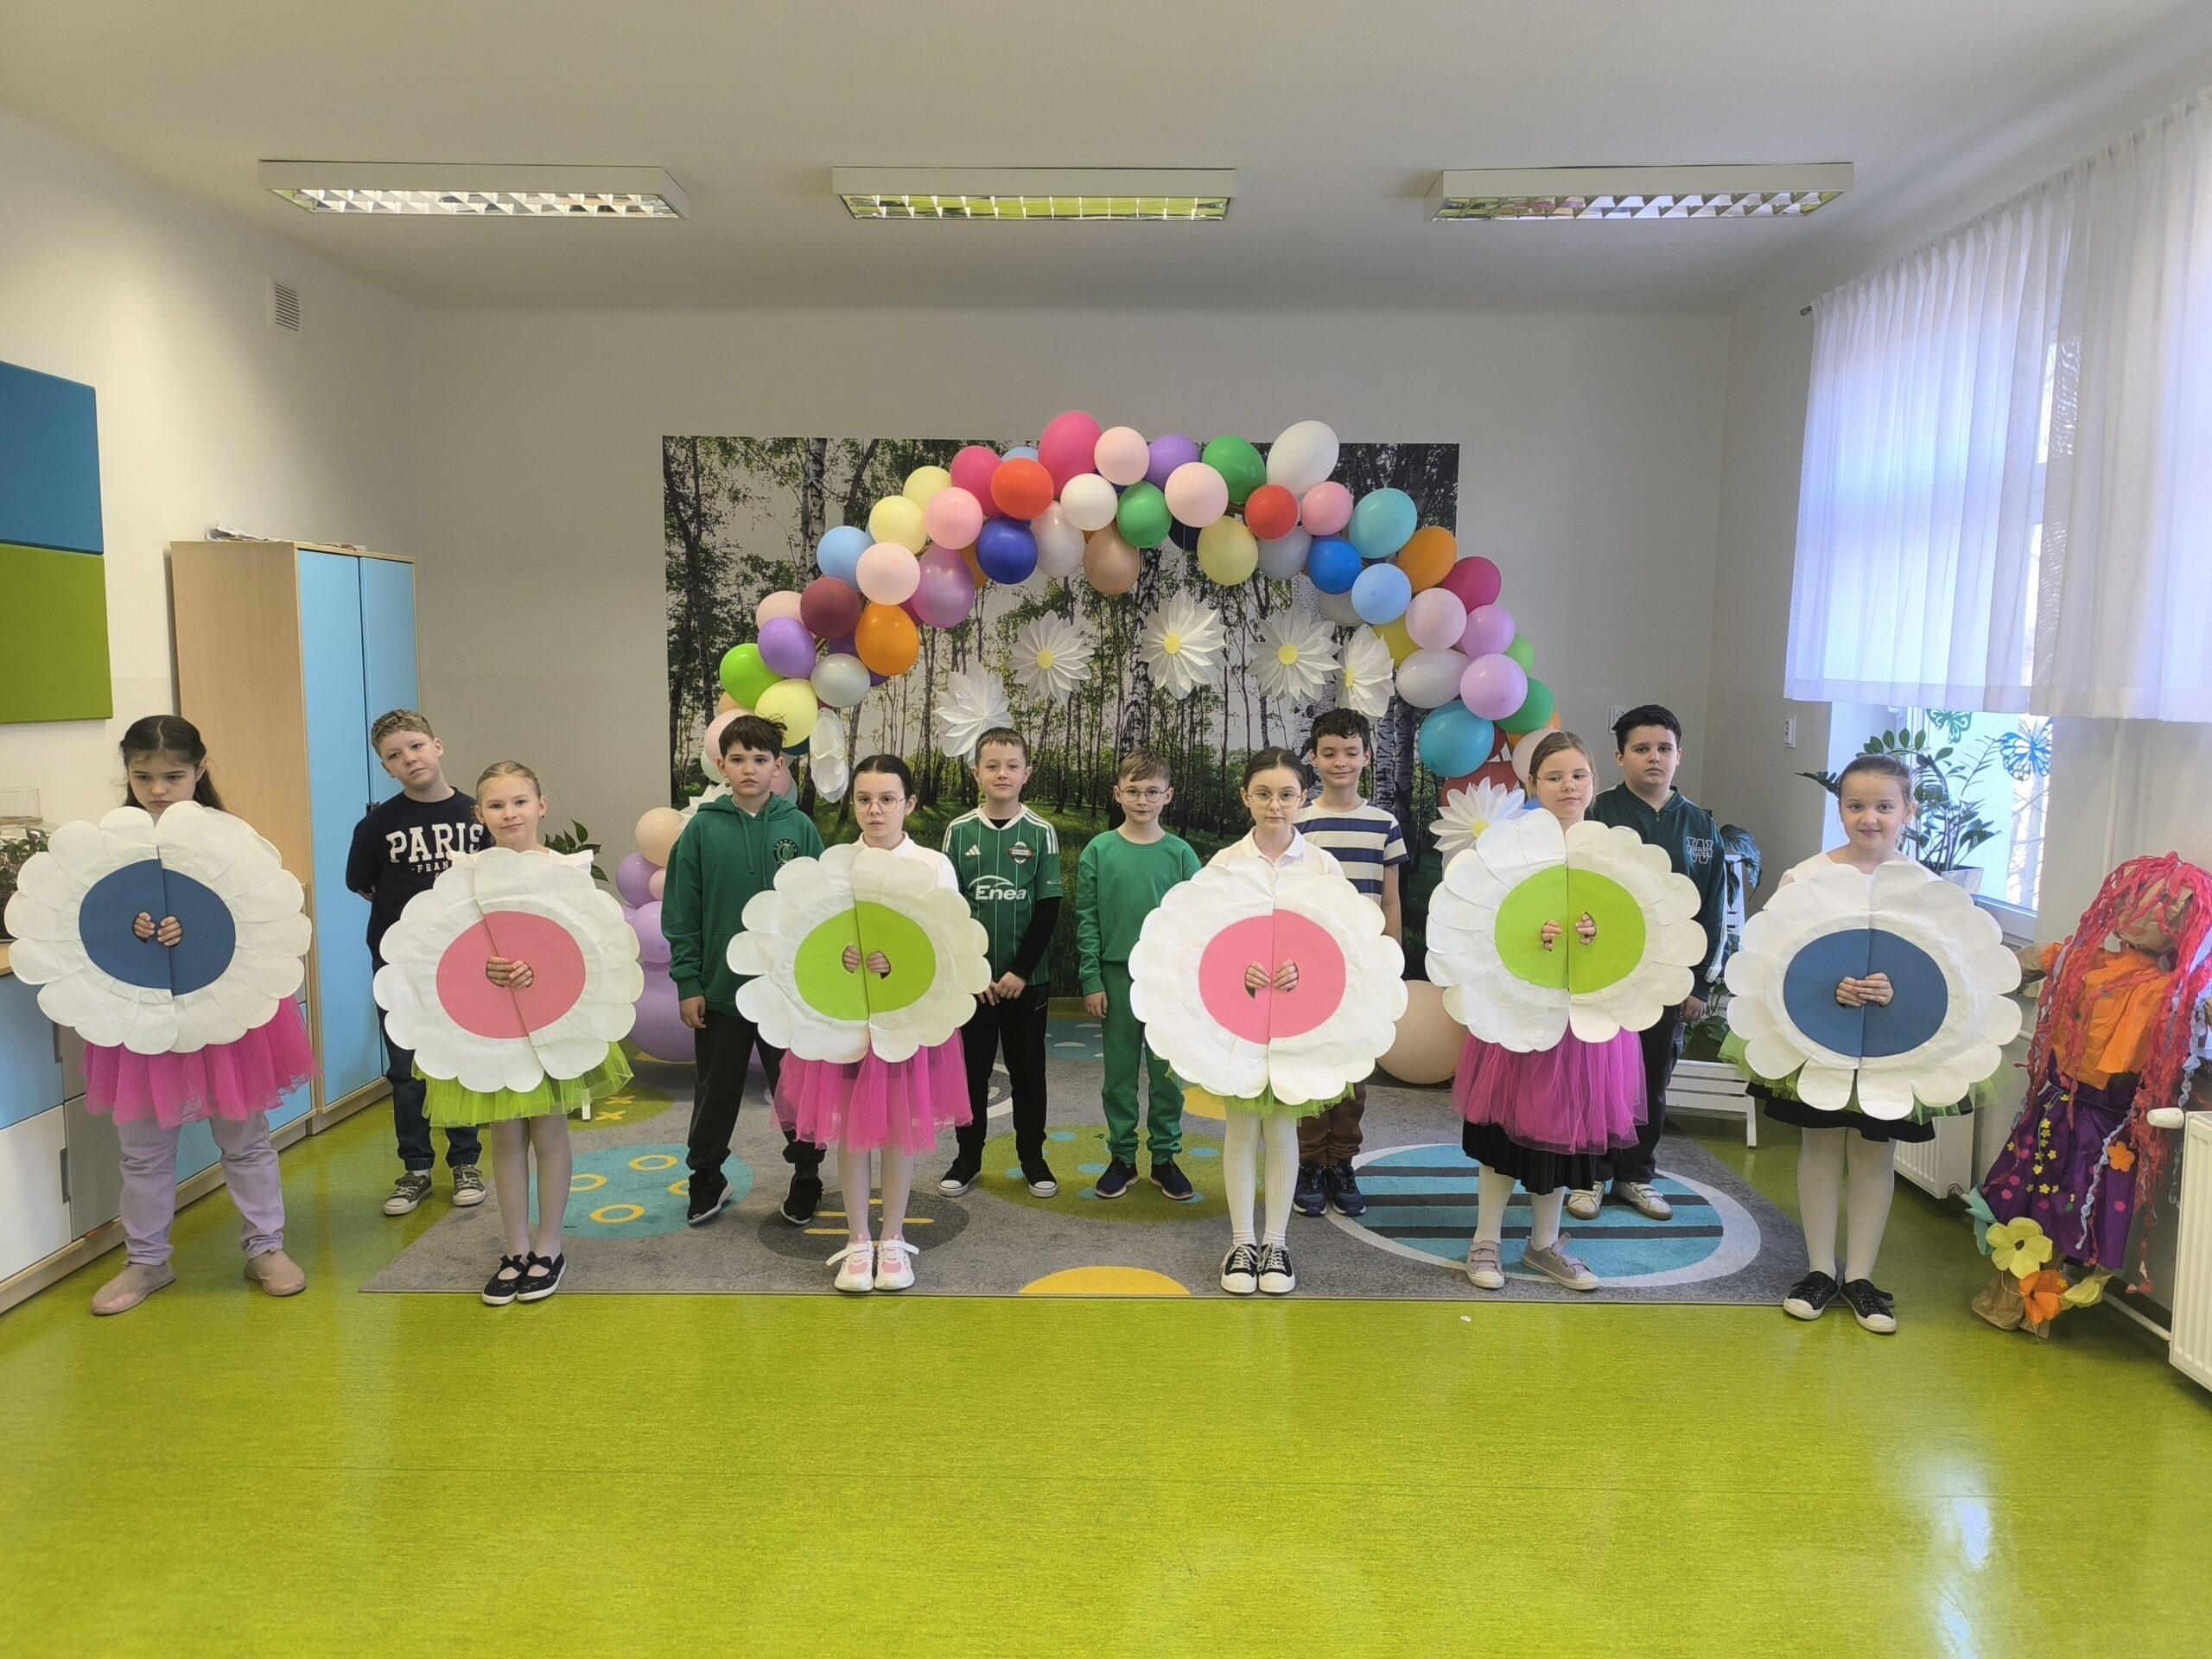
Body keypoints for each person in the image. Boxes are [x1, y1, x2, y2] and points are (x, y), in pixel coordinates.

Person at [86, 716, 316, 1315]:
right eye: (143, 777)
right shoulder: (111, 843)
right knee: (142, 1148)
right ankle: (146, 1260)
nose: (158, 789)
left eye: (173, 776)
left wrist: (198, 930)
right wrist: (130, 926)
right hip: (138, 1015)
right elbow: (95, 918)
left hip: (224, 1012)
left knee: (244, 1137)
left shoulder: (230, 838)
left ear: (200, 770)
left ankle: (265, 1247)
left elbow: (255, 918)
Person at [1727, 754, 1941, 1334]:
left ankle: (1862, 1278)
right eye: (1855, 806)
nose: (1869, 818)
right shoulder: (1807, 878)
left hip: (1892, 1050)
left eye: (1884, 806)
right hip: (1817, 1041)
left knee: (1874, 1154)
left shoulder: (1926, 890)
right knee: (1820, 1146)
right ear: (1840, 810)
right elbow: (1773, 958)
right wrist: (1828, 986)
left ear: (1908, 811)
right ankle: (1819, 1269)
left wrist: (1899, 989)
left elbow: (1939, 972)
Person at [423, 762, 632, 1305]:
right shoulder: (467, 875)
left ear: (542, 805)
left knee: (549, 1130)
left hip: (554, 1020)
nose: (509, 813)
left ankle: (549, 1245)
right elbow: (449, 946)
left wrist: (541, 970)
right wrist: (483, 968)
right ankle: (515, 1248)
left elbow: (587, 947)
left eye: (519, 802)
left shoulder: (566, 871)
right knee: (505, 1133)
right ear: (479, 814)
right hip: (489, 1024)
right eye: (496, 805)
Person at [1456, 732, 1646, 1294]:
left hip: (1586, 1018)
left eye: (1578, 775)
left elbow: (1634, 933)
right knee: (1502, 1128)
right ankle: (1485, 1239)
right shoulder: (1511, 849)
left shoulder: (1613, 852)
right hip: (1518, 1012)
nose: (1568, 786)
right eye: (1555, 777)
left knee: (1564, 1126)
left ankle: (1544, 1243)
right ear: (1532, 785)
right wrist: (1527, 935)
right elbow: (1484, 923)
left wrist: (1597, 934)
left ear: (1594, 781)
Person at [777, 756, 970, 1293]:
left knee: (897, 1128)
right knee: (853, 1130)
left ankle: (893, 1238)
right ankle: (859, 1240)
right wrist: (839, 958)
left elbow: (948, 948)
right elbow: (810, 940)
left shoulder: (931, 866)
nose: (875, 810)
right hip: (843, 1023)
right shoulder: (835, 866)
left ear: (909, 803)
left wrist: (899, 965)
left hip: (907, 1021)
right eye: (864, 799)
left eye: (887, 799)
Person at [664, 714, 828, 1227]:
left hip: (788, 994)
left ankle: (807, 1176)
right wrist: (689, 982)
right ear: (722, 765)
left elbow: (824, 909)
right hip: (720, 991)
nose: (749, 768)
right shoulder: (700, 830)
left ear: (778, 766)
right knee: (715, 1091)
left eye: (760, 759)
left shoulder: (799, 827)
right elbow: (682, 911)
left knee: (796, 1091)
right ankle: (706, 1176)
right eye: (738, 759)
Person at [1210, 749, 1357, 1296]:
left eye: (1287, 794)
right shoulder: (1225, 864)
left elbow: (1344, 943)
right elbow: (1204, 942)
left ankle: (1276, 1242)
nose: (1275, 805)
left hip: (1300, 1023)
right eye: (1264, 794)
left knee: (1281, 1129)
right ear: (1245, 797)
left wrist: (1308, 970)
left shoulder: (1321, 866)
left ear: (1303, 799)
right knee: (1242, 1127)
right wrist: (1236, 969)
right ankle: (1241, 1242)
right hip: (1239, 1021)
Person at [1571, 705, 1726, 1223]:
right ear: (1620, 757)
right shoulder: (1597, 813)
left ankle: (1636, 1175)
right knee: (1600, 1077)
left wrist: (1698, 985)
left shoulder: (1700, 825)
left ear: (1679, 755)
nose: (1654, 758)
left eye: (1664, 748)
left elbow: (1713, 910)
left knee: (1652, 1081)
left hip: (1668, 982)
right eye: (1641, 749)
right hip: (1605, 977)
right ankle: (1590, 1175)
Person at [347, 709, 490, 1217]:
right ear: (386, 768)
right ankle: (416, 1169)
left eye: (416, 746)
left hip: (464, 964)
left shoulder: (478, 815)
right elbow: (362, 884)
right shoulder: (377, 825)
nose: (409, 759)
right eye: (394, 755)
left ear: (437, 745)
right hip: (400, 966)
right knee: (405, 1070)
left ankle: (466, 1162)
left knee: (458, 1062)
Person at [1293, 708, 1408, 1220]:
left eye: (1350, 752)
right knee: (1311, 1063)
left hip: (1362, 969)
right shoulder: (1299, 822)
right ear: (1314, 759)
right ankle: (1308, 1163)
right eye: (1329, 753)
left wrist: (1391, 959)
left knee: (1354, 1069)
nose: (1340, 761)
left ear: (1368, 756)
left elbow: (1391, 899)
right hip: (1307, 969)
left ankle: (1341, 1162)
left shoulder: (1384, 824)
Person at [939, 728, 1062, 1199]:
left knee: (1029, 1073)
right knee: (970, 1073)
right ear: (976, 773)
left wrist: (1020, 972)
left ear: (1027, 773)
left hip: (1026, 983)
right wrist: (973, 971)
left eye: (1012, 766)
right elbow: (948, 909)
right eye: (992, 765)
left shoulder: (1041, 832)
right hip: (972, 984)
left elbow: (1048, 909)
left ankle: (1032, 1158)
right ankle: (967, 1157)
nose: (1002, 774)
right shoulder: (958, 831)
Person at [1076, 752, 1203, 1202]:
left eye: (1152, 792)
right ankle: (1122, 1158)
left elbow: (1199, 923)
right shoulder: (1099, 850)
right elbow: (1087, 918)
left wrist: (1191, 985)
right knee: (1119, 1075)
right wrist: (1092, 980)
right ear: (1118, 794)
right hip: (1116, 980)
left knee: (1168, 1076)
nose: (1142, 800)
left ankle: (1165, 1158)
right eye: (1133, 791)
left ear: (1168, 796)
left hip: (1169, 982)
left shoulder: (1181, 854)